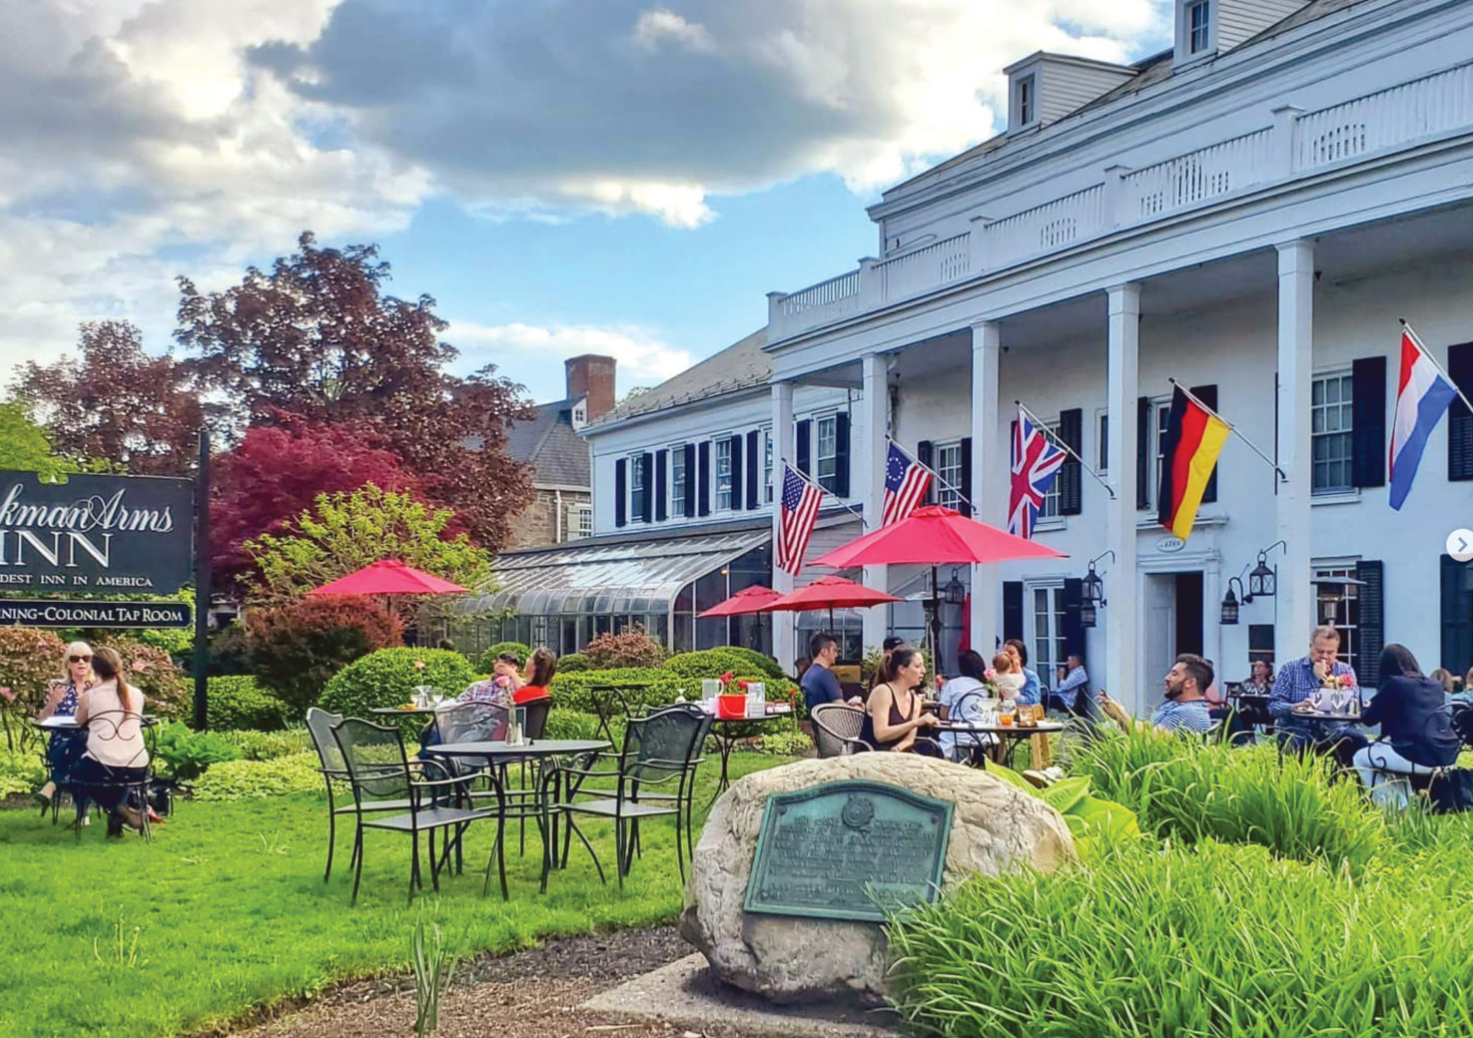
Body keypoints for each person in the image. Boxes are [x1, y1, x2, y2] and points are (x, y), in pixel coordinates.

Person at [1352, 644, 1461, 808]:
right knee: (1390, 755)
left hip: (1413, 754)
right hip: (1446, 756)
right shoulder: (1435, 685)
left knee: (1360, 757)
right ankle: (1402, 806)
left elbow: (1368, 719)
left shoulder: (1393, 683)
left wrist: (1368, 705)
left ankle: (1392, 809)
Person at [71, 647, 149, 836]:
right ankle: (118, 817)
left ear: (94, 670)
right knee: (118, 778)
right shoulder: (137, 694)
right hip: (138, 765)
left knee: (75, 773)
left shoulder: (91, 696)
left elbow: (78, 721)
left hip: (103, 765)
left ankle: (119, 809)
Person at [1269, 626, 1359, 750]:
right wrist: (1294, 707)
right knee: (1303, 744)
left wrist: (1322, 680)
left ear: (1337, 651)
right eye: (1320, 651)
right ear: (1310, 646)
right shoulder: (1290, 669)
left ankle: (1345, 770)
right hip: (1298, 728)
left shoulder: (1345, 670)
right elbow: (1273, 706)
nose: (1325, 656)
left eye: (1330, 652)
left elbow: (1352, 705)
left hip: (1335, 730)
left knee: (1358, 741)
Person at [33, 641, 94, 810]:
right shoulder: (58, 687)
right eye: (75, 659)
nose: (81, 662)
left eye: (86, 658)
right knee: (79, 751)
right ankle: (83, 812)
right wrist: (52, 703)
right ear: (68, 664)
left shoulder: (98, 687)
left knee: (82, 746)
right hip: (62, 743)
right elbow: (41, 721)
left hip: (93, 744)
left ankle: (52, 784)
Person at [1097, 654, 1216, 735]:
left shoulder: (1188, 712)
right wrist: (1119, 713)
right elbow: (1148, 728)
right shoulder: (1175, 706)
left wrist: (1120, 714)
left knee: (1087, 728)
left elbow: (1149, 742)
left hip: (1163, 769)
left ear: (1190, 682)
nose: (1167, 678)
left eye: (1174, 674)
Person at [861, 646, 940, 754]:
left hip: (897, 756)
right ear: (902, 669)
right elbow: (880, 735)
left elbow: (909, 739)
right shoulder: (883, 692)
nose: (923, 671)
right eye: (917, 666)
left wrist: (898, 748)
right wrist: (917, 722)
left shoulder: (915, 701)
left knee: (932, 750)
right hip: (873, 754)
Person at [936, 650, 990, 762]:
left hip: (957, 734)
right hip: (984, 734)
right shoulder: (986, 687)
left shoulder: (953, 684)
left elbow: (943, 714)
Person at [801, 633, 857, 713]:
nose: (836, 655)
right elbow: (839, 706)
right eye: (834, 650)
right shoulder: (826, 675)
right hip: (828, 723)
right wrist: (857, 709)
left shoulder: (806, 675)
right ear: (824, 652)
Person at [459, 651, 527, 706]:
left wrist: (513, 674)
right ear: (494, 664)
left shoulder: (518, 686)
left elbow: (527, 695)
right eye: (500, 666)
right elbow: (457, 705)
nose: (503, 670)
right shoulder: (476, 687)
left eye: (509, 666)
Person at [1004, 639, 1042, 706]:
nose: (1007, 657)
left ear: (1020, 656)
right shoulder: (1001, 676)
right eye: (1005, 654)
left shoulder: (1030, 676)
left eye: (1011, 653)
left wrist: (1012, 697)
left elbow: (1032, 701)